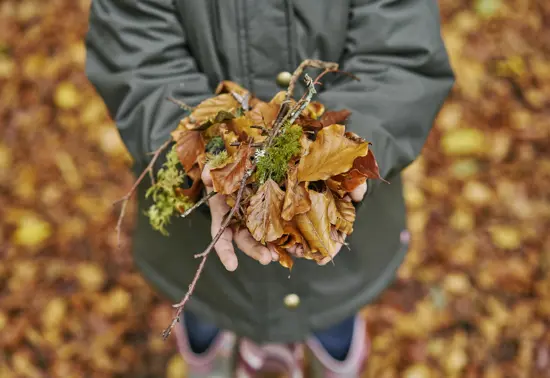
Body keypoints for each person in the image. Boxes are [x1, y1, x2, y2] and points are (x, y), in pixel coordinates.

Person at [85, 0, 454, 376]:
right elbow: (138, 57)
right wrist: (208, 151)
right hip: (198, 238)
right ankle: (211, 357)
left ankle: (335, 361)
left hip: (338, 249)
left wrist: (344, 154)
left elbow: (400, 53)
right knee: (205, 314)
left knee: (332, 316)